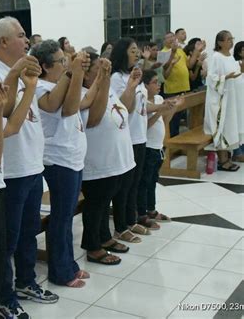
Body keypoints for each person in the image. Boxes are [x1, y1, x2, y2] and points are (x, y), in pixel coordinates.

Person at [0, 16, 58, 319]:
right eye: (21, 36)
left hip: (30, 164)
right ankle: (3, 296)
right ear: (4, 42)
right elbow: (4, 109)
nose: (27, 41)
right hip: (8, 168)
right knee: (6, 240)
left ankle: (26, 282)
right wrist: (15, 74)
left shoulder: (25, 70)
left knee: (28, 231)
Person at [30, 40, 90, 288]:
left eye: (65, 60)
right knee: (62, 217)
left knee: (67, 215)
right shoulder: (40, 87)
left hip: (73, 156)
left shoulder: (58, 82)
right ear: (44, 66)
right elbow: (65, 108)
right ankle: (60, 270)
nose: (65, 64)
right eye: (60, 61)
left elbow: (77, 103)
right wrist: (73, 72)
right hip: (58, 159)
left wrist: (77, 73)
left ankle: (69, 263)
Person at [80, 53, 134, 265]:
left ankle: (104, 237)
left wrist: (130, 85)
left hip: (116, 159)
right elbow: (93, 119)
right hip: (98, 160)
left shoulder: (106, 87)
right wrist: (103, 82)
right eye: (98, 70)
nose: (103, 73)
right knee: (96, 203)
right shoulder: (83, 93)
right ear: (85, 75)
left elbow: (124, 109)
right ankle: (92, 247)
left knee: (104, 202)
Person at [110, 37, 157, 238]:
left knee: (134, 184)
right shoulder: (116, 78)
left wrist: (162, 107)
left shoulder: (133, 75)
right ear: (122, 53)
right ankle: (121, 227)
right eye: (133, 51)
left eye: (137, 50)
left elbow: (143, 106)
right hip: (126, 136)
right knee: (125, 186)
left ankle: (132, 219)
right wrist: (131, 85)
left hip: (139, 135)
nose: (137, 54)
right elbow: (122, 108)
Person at [137, 69, 181, 224]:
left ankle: (151, 209)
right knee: (144, 181)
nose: (159, 85)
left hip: (158, 146)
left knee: (153, 180)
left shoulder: (158, 98)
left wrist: (172, 108)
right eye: (155, 82)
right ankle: (142, 212)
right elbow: (146, 125)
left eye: (158, 81)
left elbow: (165, 120)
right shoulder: (142, 101)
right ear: (145, 85)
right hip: (148, 147)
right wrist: (160, 110)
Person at [204, 30, 243, 171]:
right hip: (220, 102)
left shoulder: (230, 57)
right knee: (223, 129)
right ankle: (222, 161)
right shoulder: (216, 57)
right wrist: (225, 77)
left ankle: (228, 157)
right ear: (220, 42)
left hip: (231, 100)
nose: (231, 42)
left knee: (230, 128)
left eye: (232, 39)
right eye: (228, 39)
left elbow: (236, 75)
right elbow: (210, 78)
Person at [231, 40, 244, 162]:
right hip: (238, 100)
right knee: (238, 126)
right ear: (239, 52)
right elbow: (236, 81)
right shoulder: (235, 64)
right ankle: (237, 152)